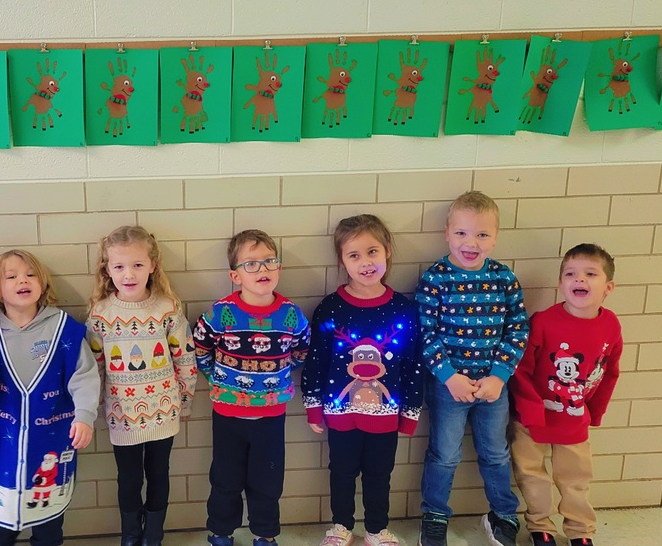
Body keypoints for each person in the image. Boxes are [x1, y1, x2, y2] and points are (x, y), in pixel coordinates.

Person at [302, 215, 424, 546]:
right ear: (342, 261)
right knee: (341, 472)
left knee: (379, 475)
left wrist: (410, 412)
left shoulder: (404, 310)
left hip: (386, 416)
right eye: (354, 255)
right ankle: (341, 526)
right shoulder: (330, 308)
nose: (365, 262)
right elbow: (316, 361)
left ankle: (376, 529)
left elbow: (413, 365)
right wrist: (313, 407)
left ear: (387, 252)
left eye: (372, 252)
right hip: (340, 414)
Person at [416, 191, 529, 546]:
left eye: (482, 234)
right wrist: (449, 377)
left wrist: (499, 375)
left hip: (493, 386)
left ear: (495, 237)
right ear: (447, 233)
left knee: (496, 453)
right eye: (462, 233)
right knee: (445, 455)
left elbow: (518, 329)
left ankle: (503, 513)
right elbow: (425, 333)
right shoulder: (435, 278)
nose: (471, 243)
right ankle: (435, 515)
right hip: (449, 386)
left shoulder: (504, 278)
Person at [193, 229, 311, 546]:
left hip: (271, 415)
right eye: (251, 264)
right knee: (225, 478)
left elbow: (301, 351)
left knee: (268, 480)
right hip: (227, 413)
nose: (262, 269)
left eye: (269, 261)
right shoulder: (220, 314)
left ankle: (265, 533)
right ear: (235, 275)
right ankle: (221, 531)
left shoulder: (290, 315)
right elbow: (200, 349)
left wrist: (276, 378)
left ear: (279, 268)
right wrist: (217, 378)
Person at [0, 249, 100, 546]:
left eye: (31, 274)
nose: (23, 280)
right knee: (2, 524)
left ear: (42, 283)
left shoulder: (64, 329)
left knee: (49, 524)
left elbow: (84, 375)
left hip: (53, 437)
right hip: (5, 441)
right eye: (11, 276)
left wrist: (85, 416)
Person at [87, 225, 198, 546]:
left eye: (137, 264)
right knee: (129, 479)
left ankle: (154, 534)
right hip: (122, 415)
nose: (129, 274)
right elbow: (94, 366)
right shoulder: (100, 314)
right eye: (119, 266)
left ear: (152, 265)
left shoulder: (167, 308)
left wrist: (185, 401)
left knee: (159, 474)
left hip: (164, 412)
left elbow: (185, 357)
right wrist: (93, 409)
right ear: (107, 270)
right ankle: (131, 534)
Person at [508, 244, 622, 546]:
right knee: (532, 475)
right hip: (532, 419)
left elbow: (609, 372)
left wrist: (595, 412)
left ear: (608, 287)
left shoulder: (610, 325)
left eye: (590, 274)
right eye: (571, 274)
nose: (579, 279)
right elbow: (520, 369)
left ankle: (580, 530)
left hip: (574, 418)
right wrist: (529, 411)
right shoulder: (543, 322)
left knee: (576, 480)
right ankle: (540, 526)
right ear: (561, 284)